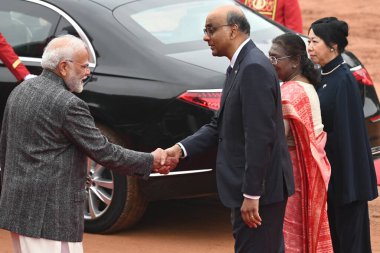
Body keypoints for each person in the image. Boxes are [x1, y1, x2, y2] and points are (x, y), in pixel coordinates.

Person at [0, 35, 176, 253]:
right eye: (84, 66)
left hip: (19, 209)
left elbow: (5, 148)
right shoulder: (69, 105)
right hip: (50, 217)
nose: (87, 72)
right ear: (64, 67)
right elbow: (105, 152)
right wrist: (151, 161)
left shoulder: (20, 91)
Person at [165, 5, 294, 252]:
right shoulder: (239, 65)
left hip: (261, 195)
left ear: (233, 30)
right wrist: (180, 150)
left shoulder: (252, 68)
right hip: (254, 191)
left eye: (211, 30)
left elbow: (260, 137)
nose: (205, 37)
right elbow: (219, 125)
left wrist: (252, 194)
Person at [308, 17, 378, 253]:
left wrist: (347, 187)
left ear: (333, 46)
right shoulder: (327, 75)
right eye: (308, 41)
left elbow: (349, 139)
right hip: (335, 178)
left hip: (348, 182)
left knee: (351, 244)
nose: (310, 47)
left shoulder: (344, 81)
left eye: (315, 41)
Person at [269, 33, 333, 252]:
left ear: (295, 61)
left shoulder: (289, 93)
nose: (271, 63)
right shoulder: (308, 87)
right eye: (269, 57)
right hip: (312, 175)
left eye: (276, 58)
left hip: (293, 177)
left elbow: (274, 141)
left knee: (289, 238)